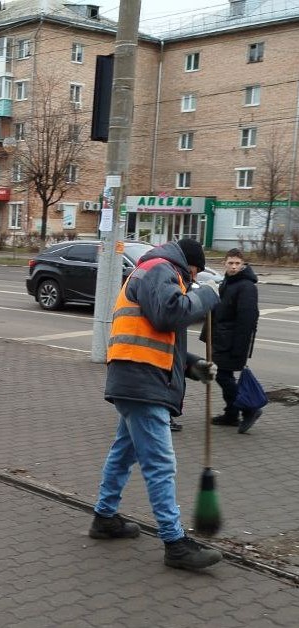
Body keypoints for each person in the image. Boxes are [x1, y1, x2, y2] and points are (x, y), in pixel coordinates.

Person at [89, 238, 223, 571]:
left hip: (136, 378)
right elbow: (169, 314)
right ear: (189, 266)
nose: (191, 283)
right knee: (161, 464)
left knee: (123, 453)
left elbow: (158, 335)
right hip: (141, 382)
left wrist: (193, 366)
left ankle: (105, 518)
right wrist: (205, 295)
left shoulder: (155, 271)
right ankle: (175, 543)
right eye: (193, 276)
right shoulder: (159, 269)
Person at [203, 248, 261, 433]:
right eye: (231, 263)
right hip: (222, 339)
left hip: (233, 342)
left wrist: (240, 347)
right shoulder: (228, 282)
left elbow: (247, 319)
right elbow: (217, 311)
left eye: (238, 263)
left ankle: (248, 409)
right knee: (223, 376)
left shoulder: (246, 286)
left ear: (243, 265)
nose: (234, 266)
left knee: (222, 376)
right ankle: (231, 414)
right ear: (225, 264)